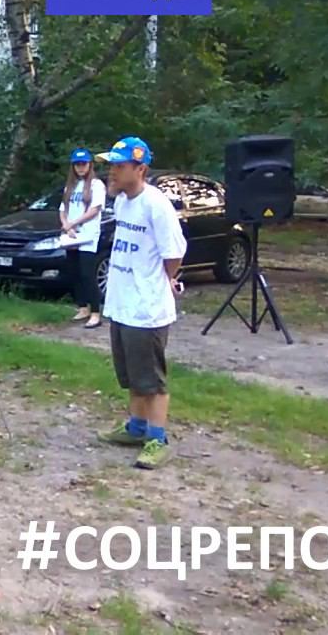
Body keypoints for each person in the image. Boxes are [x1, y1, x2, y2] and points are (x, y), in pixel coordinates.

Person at [93, 136, 186, 470]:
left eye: (119, 166)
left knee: (151, 381)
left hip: (146, 309)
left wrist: (160, 280)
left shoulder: (156, 205)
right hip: (122, 304)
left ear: (140, 169)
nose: (112, 172)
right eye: (111, 165)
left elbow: (173, 254)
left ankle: (157, 439)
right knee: (132, 376)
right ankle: (135, 427)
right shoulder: (123, 202)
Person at [59, 147, 107, 329]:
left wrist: (74, 223)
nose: (80, 167)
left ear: (89, 165)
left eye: (83, 164)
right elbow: (63, 210)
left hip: (87, 235)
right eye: (77, 164)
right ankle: (82, 307)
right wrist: (66, 225)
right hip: (71, 235)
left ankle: (95, 312)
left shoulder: (96, 185)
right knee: (74, 272)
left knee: (87, 274)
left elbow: (94, 210)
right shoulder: (70, 187)